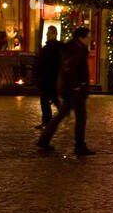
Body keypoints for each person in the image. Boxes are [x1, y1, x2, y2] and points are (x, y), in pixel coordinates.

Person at [37, 26, 94, 155]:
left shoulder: (74, 47)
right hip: (75, 91)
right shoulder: (77, 50)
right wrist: (77, 86)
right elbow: (70, 69)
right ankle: (79, 146)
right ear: (81, 37)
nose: (90, 39)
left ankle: (44, 140)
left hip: (71, 89)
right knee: (81, 118)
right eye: (88, 36)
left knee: (61, 115)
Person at [33, 26, 62, 129]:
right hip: (47, 79)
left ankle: (49, 122)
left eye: (49, 33)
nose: (47, 35)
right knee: (47, 101)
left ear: (54, 34)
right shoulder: (49, 47)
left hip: (50, 79)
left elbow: (49, 64)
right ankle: (48, 121)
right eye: (47, 33)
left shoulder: (53, 48)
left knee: (47, 101)